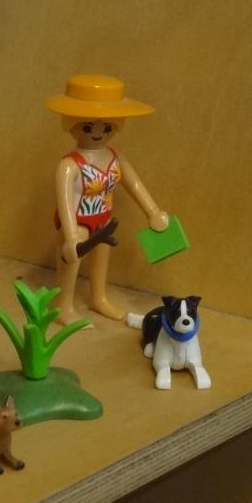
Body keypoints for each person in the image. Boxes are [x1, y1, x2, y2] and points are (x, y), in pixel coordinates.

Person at [46, 75, 169, 325]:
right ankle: (63, 305)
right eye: (87, 127)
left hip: (104, 220)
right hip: (78, 223)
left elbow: (135, 184)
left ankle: (98, 297)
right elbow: (64, 202)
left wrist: (153, 211)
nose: (98, 133)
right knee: (72, 260)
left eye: (107, 127)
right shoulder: (69, 165)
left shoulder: (115, 157)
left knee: (102, 259)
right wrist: (70, 234)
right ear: (71, 124)